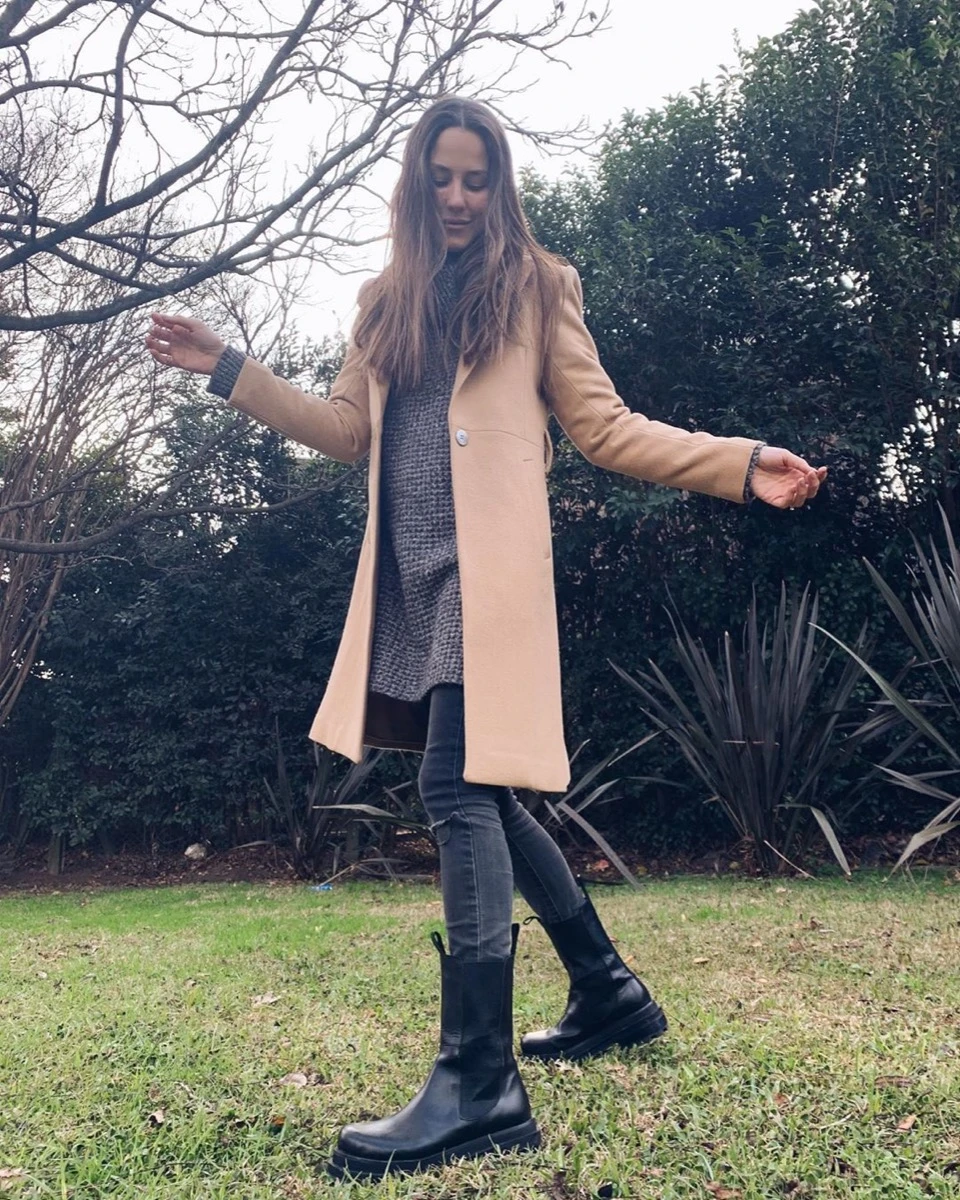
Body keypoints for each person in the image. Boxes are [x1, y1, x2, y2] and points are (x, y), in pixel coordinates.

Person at [146, 96, 826, 1180]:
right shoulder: (383, 303)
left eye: (477, 179)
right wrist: (229, 368)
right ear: (416, 186)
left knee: (454, 789)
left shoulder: (539, 286)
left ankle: (478, 1082)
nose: (459, 197)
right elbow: (346, 430)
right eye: (443, 179)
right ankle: (606, 990)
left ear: (498, 186)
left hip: (487, 581)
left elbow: (605, 428)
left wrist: (740, 463)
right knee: (488, 795)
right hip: (410, 582)